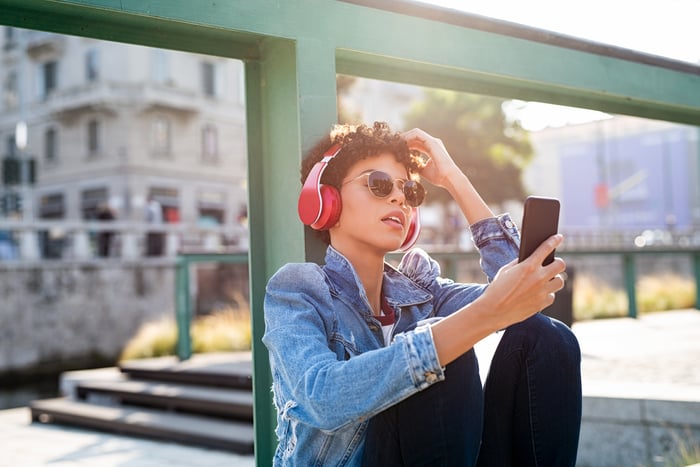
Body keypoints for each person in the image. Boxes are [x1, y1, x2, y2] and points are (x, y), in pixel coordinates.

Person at [263, 122, 582, 466]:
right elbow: (321, 399)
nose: (399, 198)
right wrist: (478, 318)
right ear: (327, 200)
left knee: (548, 337)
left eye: (409, 191)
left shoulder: (421, 291)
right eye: (379, 184)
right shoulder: (298, 290)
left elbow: (524, 296)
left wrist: (453, 179)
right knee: (441, 349)